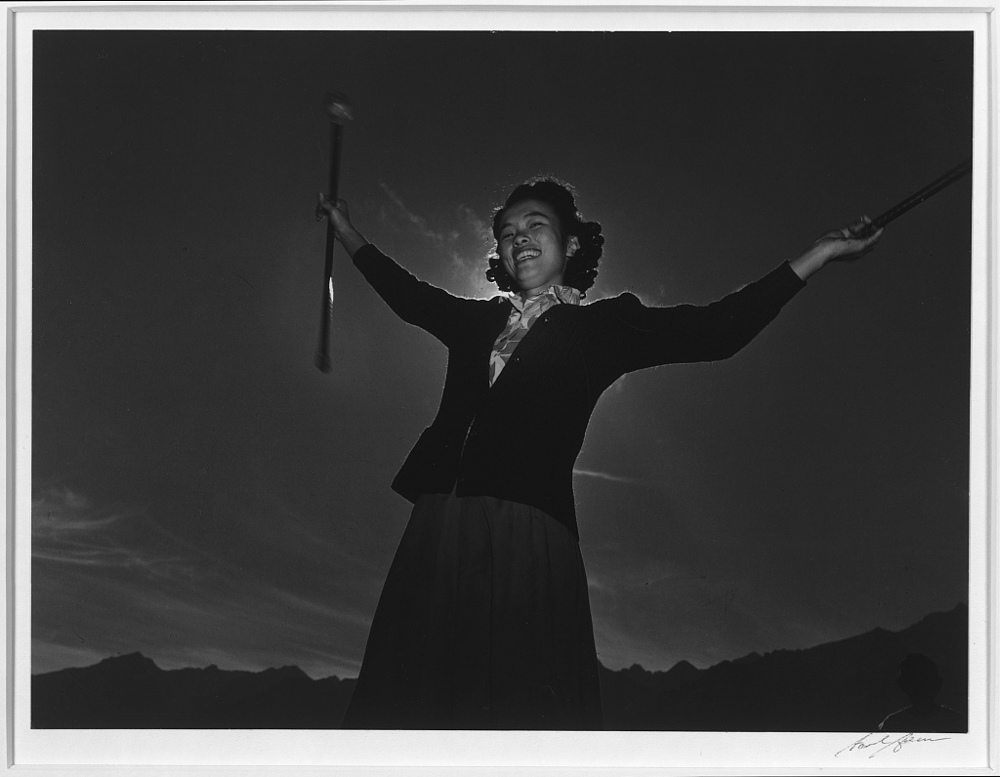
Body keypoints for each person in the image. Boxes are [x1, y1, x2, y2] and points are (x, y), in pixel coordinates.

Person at [318, 177, 882, 730]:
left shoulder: (603, 327)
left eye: (536, 224)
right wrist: (347, 232)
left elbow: (718, 330)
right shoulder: (476, 321)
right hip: (440, 527)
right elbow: (408, 296)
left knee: (518, 704)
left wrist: (821, 252)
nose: (519, 237)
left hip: (530, 531)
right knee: (414, 701)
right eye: (508, 231)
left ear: (572, 244)